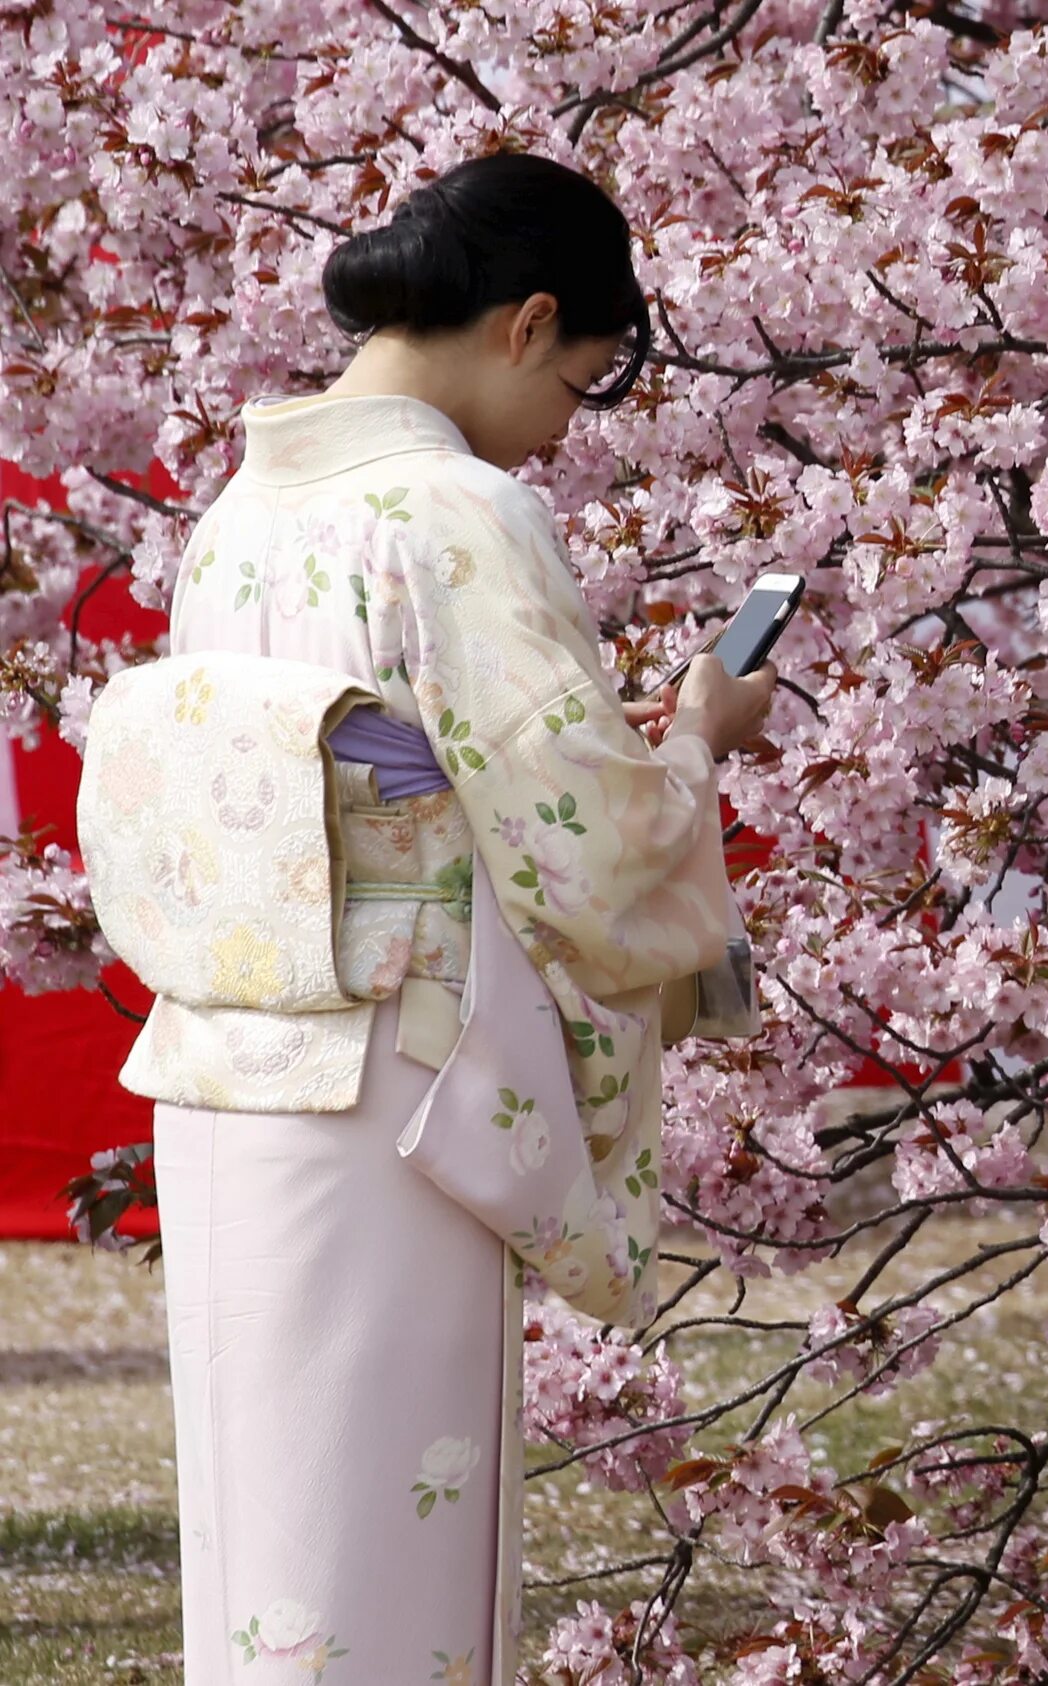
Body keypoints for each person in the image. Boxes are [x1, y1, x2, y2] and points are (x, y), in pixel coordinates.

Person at [128, 151, 776, 1685]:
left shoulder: (234, 518)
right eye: (584, 377)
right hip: (388, 1083)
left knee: (268, 1525)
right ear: (528, 318)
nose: (565, 428)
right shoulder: (454, 512)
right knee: (384, 1531)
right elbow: (587, 836)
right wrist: (695, 736)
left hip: (227, 1069)